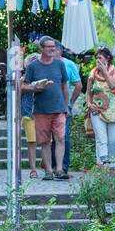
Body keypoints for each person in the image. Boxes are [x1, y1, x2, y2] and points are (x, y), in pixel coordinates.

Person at [21, 37, 70, 180]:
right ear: (41, 48)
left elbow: (64, 86)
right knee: (45, 141)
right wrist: (35, 87)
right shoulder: (33, 67)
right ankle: (48, 170)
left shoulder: (60, 64)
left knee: (60, 138)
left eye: (54, 47)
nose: (52, 50)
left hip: (59, 109)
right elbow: (23, 86)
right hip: (41, 110)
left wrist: (66, 106)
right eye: (49, 47)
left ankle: (59, 169)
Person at [51, 51, 84, 177]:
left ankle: (63, 167)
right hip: (49, 107)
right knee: (52, 138)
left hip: (63, 107)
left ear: (58, 51)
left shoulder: (68, 64)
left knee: (63, 137)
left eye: (53, 49)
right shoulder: (47, 64)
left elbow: (78, 85)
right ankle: (53, 166)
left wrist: (71, 102)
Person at [87, 48, 115, 164]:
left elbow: (112, 85)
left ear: (108, 58)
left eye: (100, 58)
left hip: (113, 111)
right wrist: (89, 104)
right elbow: (88, 92)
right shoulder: (93, 73)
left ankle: (113, 165)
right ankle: (102, 167)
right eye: (96, 58)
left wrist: (105, 71)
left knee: (113, 140)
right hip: (97, 111)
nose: (97, 60)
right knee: (101, 140)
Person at [20, 52, 40, 178]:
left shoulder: (44, 78)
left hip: (43, 112)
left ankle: (45, 164)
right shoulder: (23, 80)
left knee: (46, 141)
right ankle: (33, 168)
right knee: (32, 142)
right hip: (28, 114)